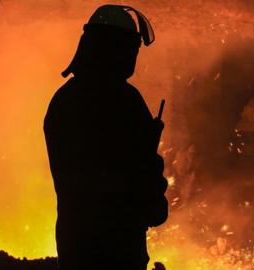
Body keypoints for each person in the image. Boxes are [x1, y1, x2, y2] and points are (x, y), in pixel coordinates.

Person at [44, 5, 168, 270]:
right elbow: (129, 175)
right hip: (117, 249)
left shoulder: (65, 99)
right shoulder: (122, 101)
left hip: (76, 246)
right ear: (115, 49)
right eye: (131, 49)